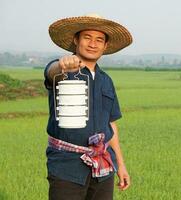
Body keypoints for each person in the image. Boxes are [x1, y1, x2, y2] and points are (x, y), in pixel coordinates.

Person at [44, 14, 133, 200]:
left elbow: (111, 125)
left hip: (104, 166)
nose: (93, 44)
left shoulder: (106, 80)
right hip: (67, 167)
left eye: (99, 39)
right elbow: (51, 71)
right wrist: (62, 65)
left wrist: (121, 165)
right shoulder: (62, 72)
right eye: (87, 37)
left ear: (105, 46)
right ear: (76, 40)